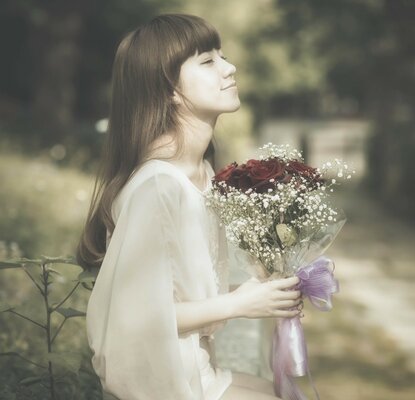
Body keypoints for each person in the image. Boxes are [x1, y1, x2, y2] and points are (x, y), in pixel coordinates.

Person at [76, 14, 302, 400]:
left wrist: (265, 291)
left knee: (290, 394)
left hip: (199, 369)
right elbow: (137, 317)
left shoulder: (203, 173)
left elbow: (178, 294)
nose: (229, 68)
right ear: (169, 90)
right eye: (208, 61)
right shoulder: (159, 187)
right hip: (170, 382)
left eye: (222, 56)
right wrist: (239, 303)